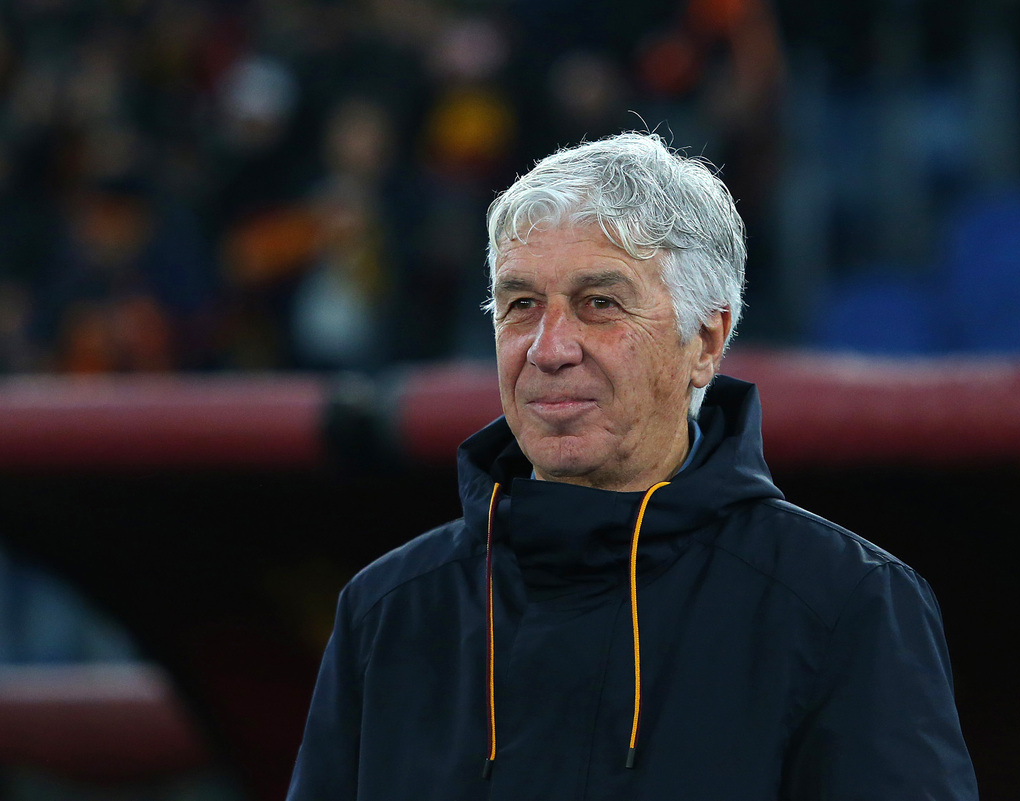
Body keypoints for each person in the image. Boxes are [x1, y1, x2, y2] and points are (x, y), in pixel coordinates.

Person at [287, 132, 978, 800]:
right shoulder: (385, 613)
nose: (549, 348)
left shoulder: (845, 603)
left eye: (600, 303)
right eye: (521, 304)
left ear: (705, 339)